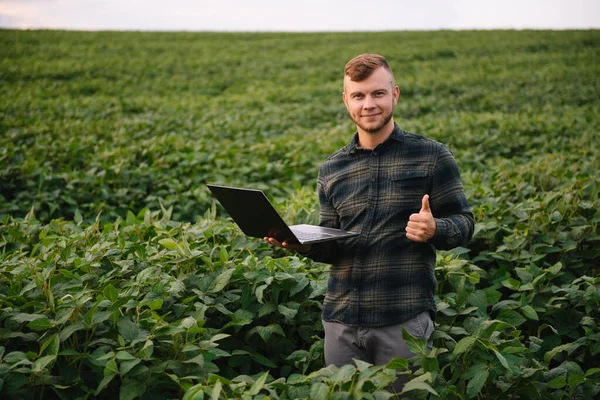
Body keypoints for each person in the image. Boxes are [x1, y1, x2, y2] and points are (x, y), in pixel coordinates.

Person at [265, 53, 474, 393]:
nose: (368, 104)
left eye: (378, 93)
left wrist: (436, 229)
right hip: (341, 323)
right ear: (346, 100)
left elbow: (464, 222)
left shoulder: (432, 156)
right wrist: (299, 244)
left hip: (403, 321)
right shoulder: (332, 169)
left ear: (395, 94)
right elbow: (333, 246)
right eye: (359, 95)